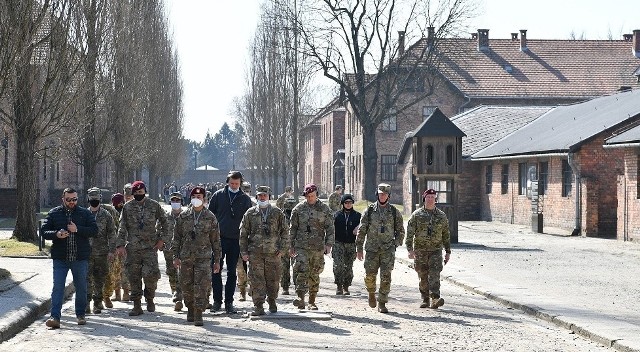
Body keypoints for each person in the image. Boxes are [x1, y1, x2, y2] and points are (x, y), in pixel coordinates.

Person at [41, 188, 98, 328]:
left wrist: (77, 229)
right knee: (58, 287)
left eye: (74, 199)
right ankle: (55, 317)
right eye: (69, 199)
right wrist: (56, 234)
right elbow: (43, 231)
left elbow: (94, 230)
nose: (72, 202)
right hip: (61, 258)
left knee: (81, 287)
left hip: (79, 258)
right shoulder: (54, 213)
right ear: (63, 199)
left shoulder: (84, 213)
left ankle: (80, 315)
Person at [115, 180, 169, 316]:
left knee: (150, 275)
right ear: (132, 194)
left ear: (145, 191)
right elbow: (122, 227)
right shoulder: (127, 207)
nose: (139, 194)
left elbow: (165, 222)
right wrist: (120, 244)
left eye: (141, 192)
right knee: (134, 276)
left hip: (150, 247)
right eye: (136, 193)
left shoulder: (154, 205)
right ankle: (137, 305)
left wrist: (162, 239)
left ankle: (150, 298)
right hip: (132, 248)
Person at [172, 186, 222, 326]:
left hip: (203, 258)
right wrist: (175, 256)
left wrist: (217, 260)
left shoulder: (210, 217)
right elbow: (177, 238)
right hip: (186, 257)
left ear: (204, 199)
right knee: (186, 285)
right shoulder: (183, 216)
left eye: (199, 197)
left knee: (202, 285)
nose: (196, 199)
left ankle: (199, 312)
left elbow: (216, 241)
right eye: (194, 197)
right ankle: (190, 308)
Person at [356, 183, 405, 313]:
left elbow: (400, 231)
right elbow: (362, 230)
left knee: (386, 276)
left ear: (388, 195)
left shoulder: (394, 212)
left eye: (385, 194)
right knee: (370, 275)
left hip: (388, 250)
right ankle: (371, 293)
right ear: (377, 194)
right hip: (372, 249)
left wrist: (396, 243)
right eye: (380, 194)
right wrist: (359, 248)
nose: (382, 196)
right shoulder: (369, 211)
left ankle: (382, 302)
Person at [240, 186, 289, 316]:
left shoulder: (277, 212)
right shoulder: (250, 213)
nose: (262, 198)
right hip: (255, 253)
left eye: (265, 196)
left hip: (273, 253)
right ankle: (258, 305)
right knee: (256, 280)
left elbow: (285, 231)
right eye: (260, 196)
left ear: (269, 197)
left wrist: (283, 248)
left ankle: (272, 300)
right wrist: (244, 252)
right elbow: (243, 233)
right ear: (256, 197)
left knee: (273, 279)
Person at [208, 171, 252, 313]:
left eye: (237, 184)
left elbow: (248, 221)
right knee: (216, 270)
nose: (234, 186)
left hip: (236, 240)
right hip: (219, 240)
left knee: (232, 272)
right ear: (227, 182)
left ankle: (229, 303)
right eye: (231, 183)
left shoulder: (245, 199)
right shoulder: (218, 196)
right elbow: (210, 216)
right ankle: (216, 301)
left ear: (240, 183)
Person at [289, 183, 334, 310]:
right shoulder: (298, 209)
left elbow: (330, 228)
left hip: (317, 247)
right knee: (301, 270)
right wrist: (290, 245)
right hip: (301, 246)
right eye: (308, 196)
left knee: (314, 273)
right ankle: (300, 298)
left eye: (312, 196)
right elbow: (293, 229)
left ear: (316, 195)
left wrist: (329, 244)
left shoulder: (324, 209)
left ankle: (312, 301)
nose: (310, 199)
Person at [406, 188, 451, 309]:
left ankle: (435, 298)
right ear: (424, 199)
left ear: (435, 199)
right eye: (428, 197)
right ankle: (425, 298)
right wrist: (410, 249)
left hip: (436, 250)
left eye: (433, 197)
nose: (430, 199)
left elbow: (446, 234)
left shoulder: (441, 216)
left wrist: (447, 252)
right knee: (423, 275)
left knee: (435, 274)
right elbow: (409, 232)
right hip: (420, 250)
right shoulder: (417, 215)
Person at [85, 187, 117, 314]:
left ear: (100, 199)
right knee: (86, 278)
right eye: (92, 199)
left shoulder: (106, 215)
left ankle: (97, 303)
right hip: (87, 253)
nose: (94, 201)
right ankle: (86, 303)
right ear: (88, 199)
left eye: (96, 199)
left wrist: (111, 250)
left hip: (102, 252)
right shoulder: (84, 214)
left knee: (99, 278)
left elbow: (112, 234)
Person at [104, 192, 130, 302]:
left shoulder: (111, 212)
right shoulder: (126, 211)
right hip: (124, 244)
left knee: (116, 270)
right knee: (123, 269)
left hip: (116, 244)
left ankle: (119, 293)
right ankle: (124, 293)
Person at [333, 193, 361, 295]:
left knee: (348, 266)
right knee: (338, 265)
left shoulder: (357, 216)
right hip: (338, 243)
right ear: (342, 203)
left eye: (350, 202)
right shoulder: (336, 215)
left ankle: (346, 286)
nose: (348, 204)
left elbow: (363, 227)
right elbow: (330, 229)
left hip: (351, 244)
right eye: (346, 202)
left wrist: (358, 228)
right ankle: (339, 286)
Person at [163, 191, 185, 311]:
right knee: (171, 272)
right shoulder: (166, 216)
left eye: (178, 201)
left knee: (182, 273)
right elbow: (159, 228)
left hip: (182, 250)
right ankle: (174, 291)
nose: (175, 203)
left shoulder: (186, 215)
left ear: (181, 202)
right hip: (168, 249)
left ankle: (179, 296)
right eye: (173, 201)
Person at [276, 186, 297, 295]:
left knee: (297, 266)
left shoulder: (298, 216)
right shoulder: (280, 217)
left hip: (295, 245)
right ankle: (285, 287)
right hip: (284, 245)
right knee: (284, 267)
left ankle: (298, 286)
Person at [237, 181, 255, 302]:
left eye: (248, 189)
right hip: (240, 238)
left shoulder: (254, 204)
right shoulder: (236, 202)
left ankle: (253, 289)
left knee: (254, 268)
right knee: (240, 268)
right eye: (244, 189)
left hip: (253, 241)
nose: (246, 191)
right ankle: (242, 291)